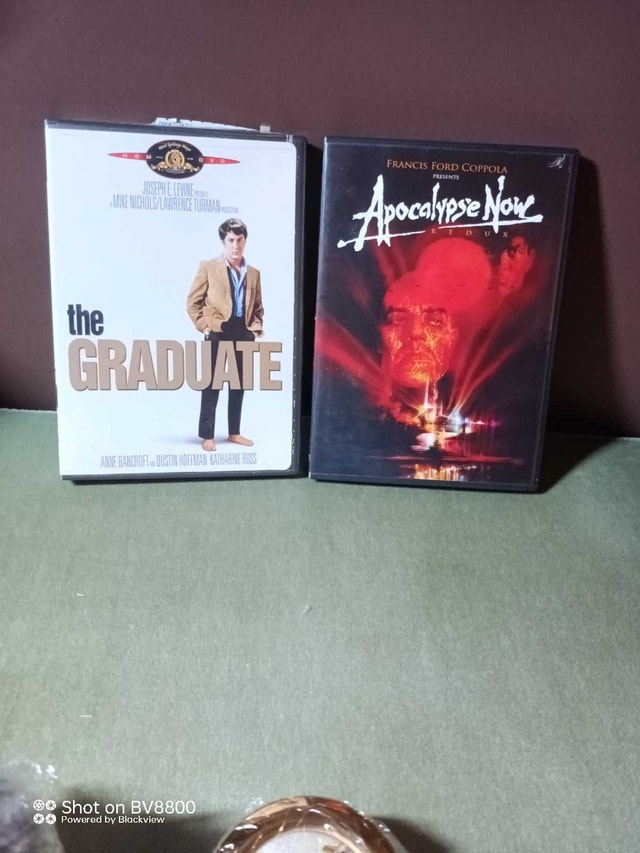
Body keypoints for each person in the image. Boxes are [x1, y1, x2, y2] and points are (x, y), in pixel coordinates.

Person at [187, 218, 263, 451]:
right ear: (223, 242)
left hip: (243, 331)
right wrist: (205, 326)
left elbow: (258, 307)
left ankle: (234, 433)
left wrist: (254, 329)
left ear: (245, 241)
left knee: (240, 383)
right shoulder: (209, 267)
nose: (235, 245)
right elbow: (193, 303)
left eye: (240, 240)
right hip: (219, 330)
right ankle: (207, 435)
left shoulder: (254, 273)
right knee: (212, 383)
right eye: (231, 240)